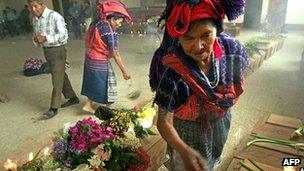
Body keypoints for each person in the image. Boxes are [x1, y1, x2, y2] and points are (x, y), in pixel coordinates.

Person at [149, 0, 248, 170]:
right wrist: (185, 151)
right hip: (186, 134)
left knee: (212, 162)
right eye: (188, 37)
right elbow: (164, 122)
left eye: (206, 35)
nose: (198, 46)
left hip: (221, 123)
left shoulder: (233, 50)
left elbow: (238, 79)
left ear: (218, 30)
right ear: (178, 37)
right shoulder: (174, 71)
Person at [28, 0, 79, 119]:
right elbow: (36, 36)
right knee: (60, 74)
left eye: (35, 6)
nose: (33, 10)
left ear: (42, 4)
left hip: (58, 50)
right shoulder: (35, 19)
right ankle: (72, 97)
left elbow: (63, 36)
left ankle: (53, 107)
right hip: (47, 51)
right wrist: (36, 40)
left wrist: (46, 38)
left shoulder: (55, 16)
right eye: (31, 7)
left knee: (56, 78)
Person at [81, 0, 131, 113]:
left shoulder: (97, 23)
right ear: (112, 19)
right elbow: (115, 53)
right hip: (99, 60)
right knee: (108, 82)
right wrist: (124, 71)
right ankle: (108, 109)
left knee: (94, 81)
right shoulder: (109, 31)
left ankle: (89, 104)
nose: (120, 24)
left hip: (90, 58)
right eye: (119, 21)